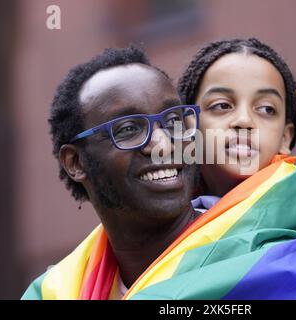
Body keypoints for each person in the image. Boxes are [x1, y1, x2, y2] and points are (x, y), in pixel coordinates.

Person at [139, 37, 296, 300]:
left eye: (266, 109)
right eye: (222, 106)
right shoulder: (134, 243)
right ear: (188, 126)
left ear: (285, 138)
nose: (244, 121)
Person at [22, 45, 201, 299]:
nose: (163, 144)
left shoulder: (256, 257)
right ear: (75, 162)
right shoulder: (54, 293)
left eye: (173, 121)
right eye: (128, 129)